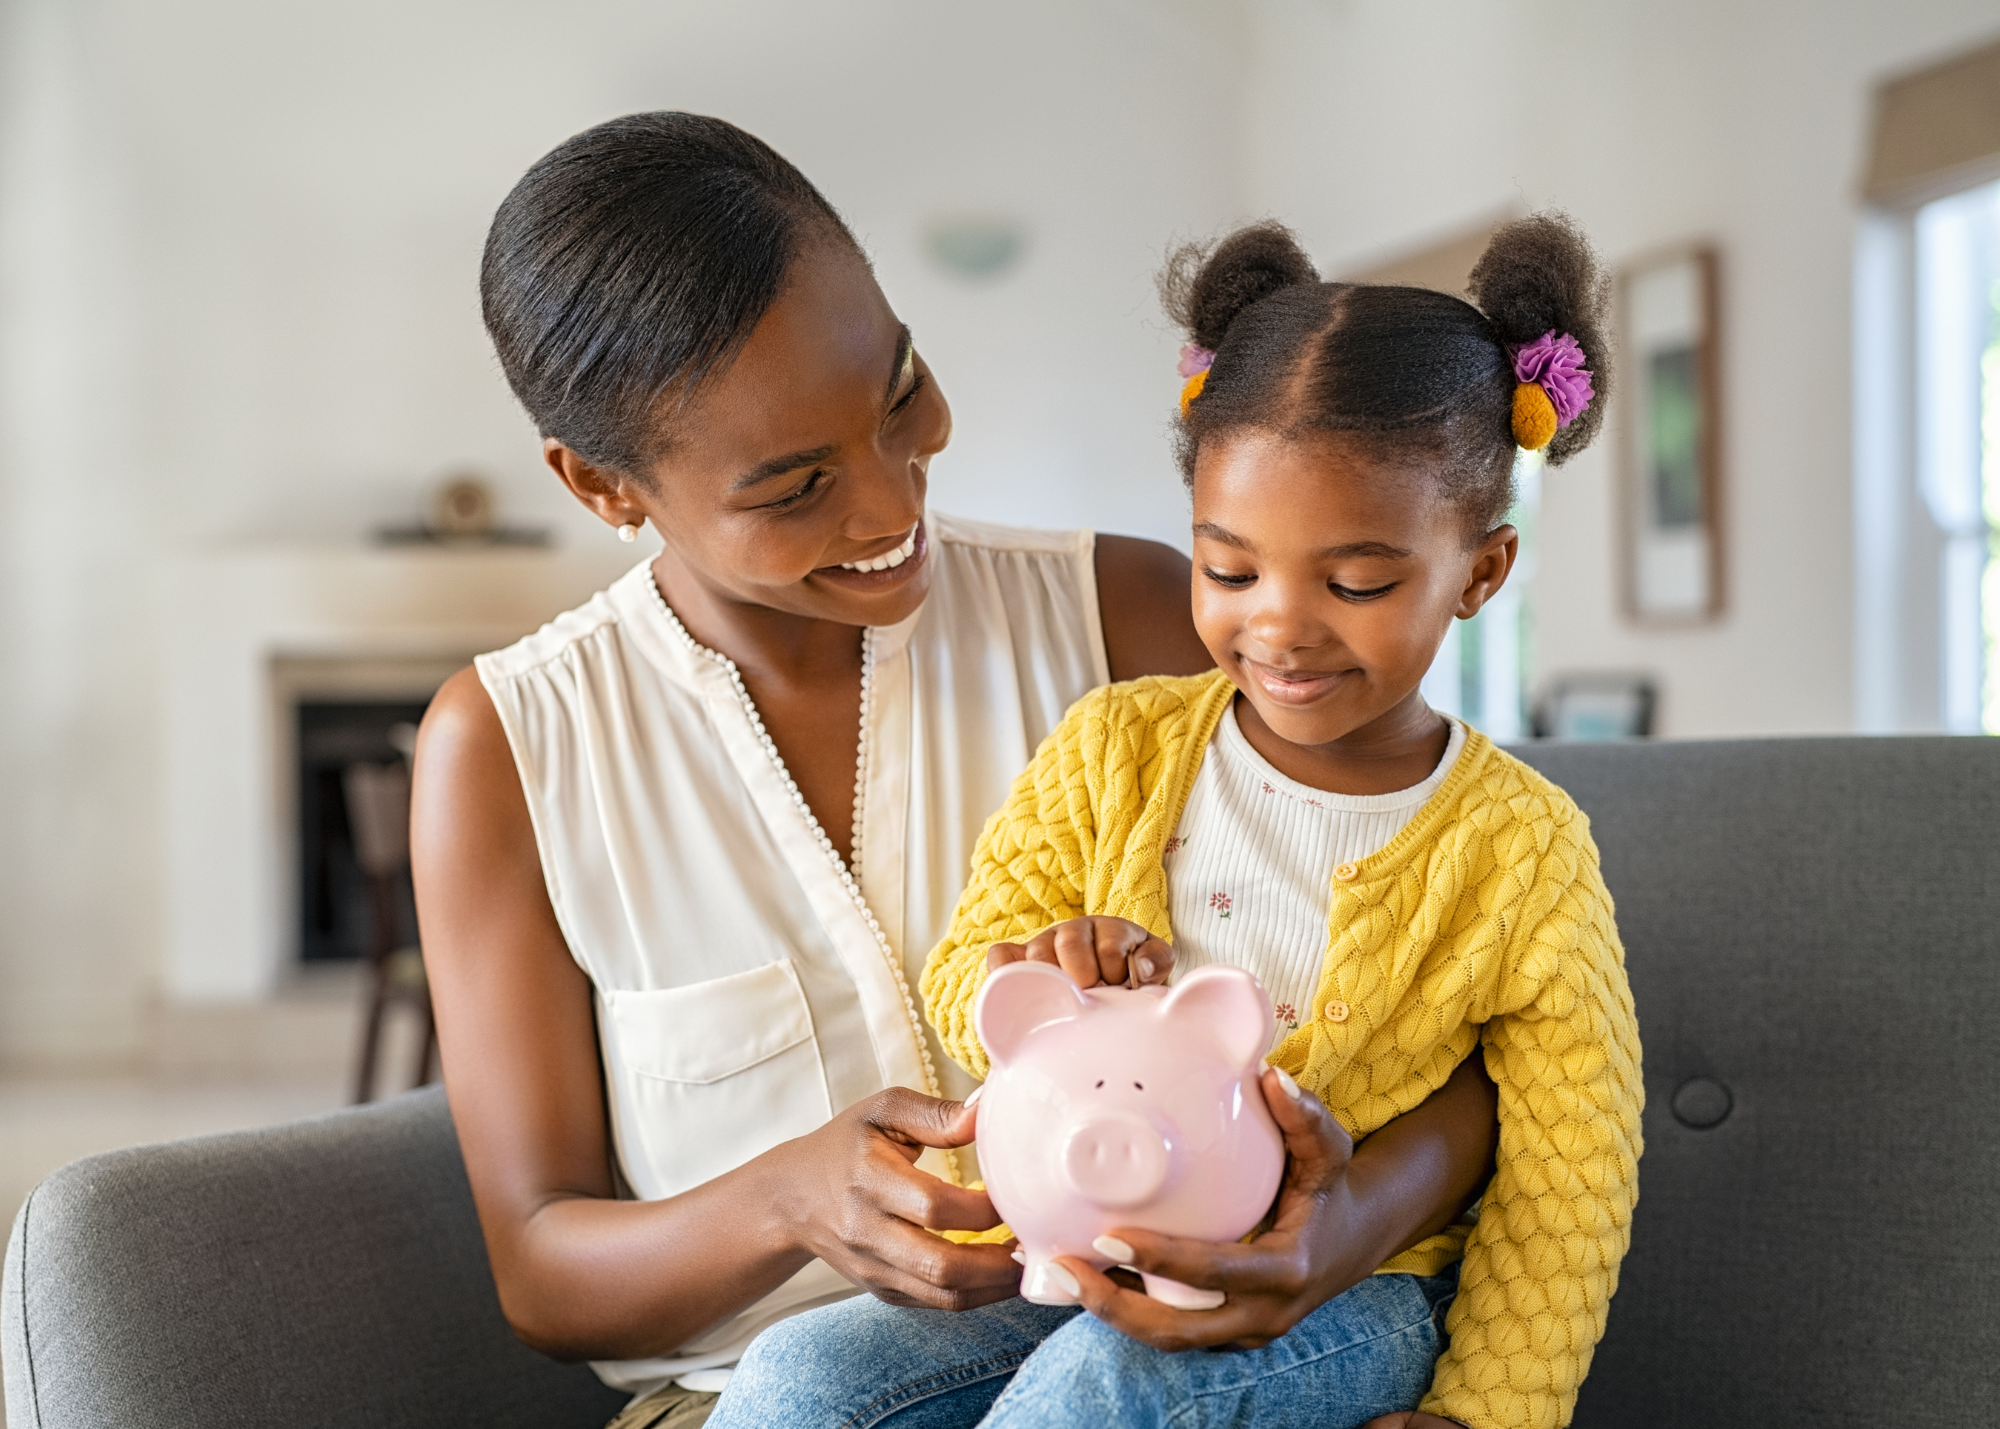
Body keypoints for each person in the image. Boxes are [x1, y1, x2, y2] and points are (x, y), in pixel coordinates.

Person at [411, 112, 1503, 1429]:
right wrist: (785, 1200)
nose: (889, 505)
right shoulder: (510, 749)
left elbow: (1470, 1015)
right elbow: (543, 1272)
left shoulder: (1135, 625)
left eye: (899, 392)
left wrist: (1343, 1233)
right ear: (601, 486)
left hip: (1156, 1357)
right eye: (796, 484)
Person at [708, 217, 1643, 1429]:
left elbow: (1572, 1170)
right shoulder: (1117, 746)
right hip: (1070, 1258)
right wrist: (1038, 967)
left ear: (1479, 571)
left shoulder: (1523, 849)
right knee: (799, 1379)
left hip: (1348, 1296)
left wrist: (1485, 1414)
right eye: (1229, 569)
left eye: (1355, 583)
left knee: (1091, 1399)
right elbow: (963, 976)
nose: (1280, 627)